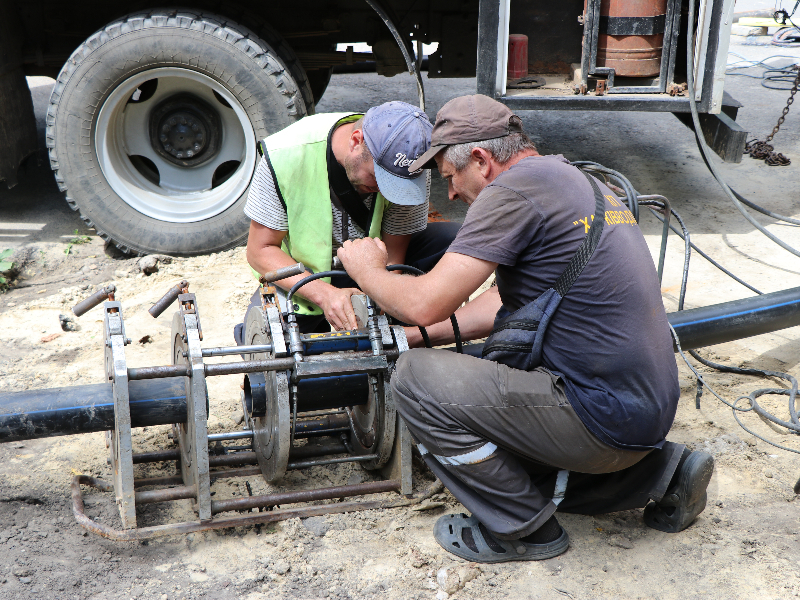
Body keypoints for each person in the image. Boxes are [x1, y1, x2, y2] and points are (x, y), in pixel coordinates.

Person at [337, 94, 714, 563]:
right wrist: (416, 338)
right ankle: (662, 474)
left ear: (481, 159)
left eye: (451, 178)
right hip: (642, 414)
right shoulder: (578, 181)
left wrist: (367, 270)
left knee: (414, 380)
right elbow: (502, 301)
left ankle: (522, 530)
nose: (450, 195)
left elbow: (424, 303)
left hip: (597, 416)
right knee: (465, 387)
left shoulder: (511, 192)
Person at [236, 101, 460, 340]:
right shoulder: (286, 154)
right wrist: (325, 295)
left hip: (373, 266)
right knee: (271, 345)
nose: (387, 191)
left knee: (451, 241)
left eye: (396, 185)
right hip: (307, 276)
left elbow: (395, 253)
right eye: (378, 178)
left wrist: (381, 306)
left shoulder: (410, 166)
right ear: (356, 141)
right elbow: (260, 250)